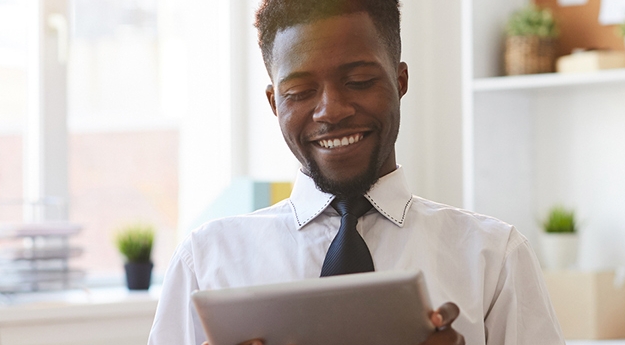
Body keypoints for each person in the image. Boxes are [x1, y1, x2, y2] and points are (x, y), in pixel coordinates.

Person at [147, 0, 565, 344]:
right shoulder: (205, 263)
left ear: (400, 80)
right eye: (300, 92)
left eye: (360, 80)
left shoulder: (495, 259)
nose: (331, 110)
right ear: (275, 103)